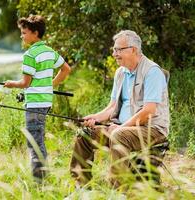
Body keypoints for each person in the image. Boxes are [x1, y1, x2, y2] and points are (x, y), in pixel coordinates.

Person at [69, 30, 169, 188]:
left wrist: (121, 128)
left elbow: (149, 111)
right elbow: (112, 107)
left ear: (133, 49)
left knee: (118, 135)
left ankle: (118, 191)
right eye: (114, 50)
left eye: (118, 50)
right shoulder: (120, 72)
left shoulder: (152, 72)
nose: (114, 54)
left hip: (151, 130)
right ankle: (82, 186)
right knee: (84, 133)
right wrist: (95, 118)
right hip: (121, 128)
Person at [4, 15, 71, 182]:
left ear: (35, 33)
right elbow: (66, 69)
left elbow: (26, 83)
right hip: (46, 102)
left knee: (34, 142)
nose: (22, 36)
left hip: (35, 104)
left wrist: (12, 84)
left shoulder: (30, 55)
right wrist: (51, 85)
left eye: (24, 32)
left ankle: (39, 181)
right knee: (38, 138)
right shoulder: (49, 52)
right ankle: (42, 176)